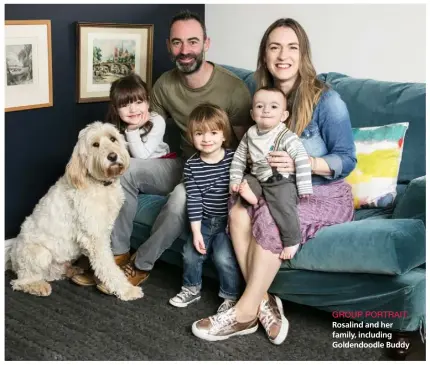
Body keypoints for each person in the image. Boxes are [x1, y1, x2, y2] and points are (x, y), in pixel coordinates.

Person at [191, 18, 356, 345]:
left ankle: (244, 312)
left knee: (267, 218)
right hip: (272, 189)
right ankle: (264, 299)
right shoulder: (259, 95)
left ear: (303, 54)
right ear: (265, 55)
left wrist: (305, 163)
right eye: (275, 47)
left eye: (292, 47)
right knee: (237, 209)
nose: (283, 55)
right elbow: (247, 149)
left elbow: (347, 159)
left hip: (321, 192)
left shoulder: (327, 100)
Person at [72, 10, 252, 293]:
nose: (185, 50)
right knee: (126, 171)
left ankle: (140, 265)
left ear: (206, 43)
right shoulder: (165, 85)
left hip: (219, 171)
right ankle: (116, 256)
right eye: (177, 43)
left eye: (192, 42)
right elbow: (144, 127)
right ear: (169, 46)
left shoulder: (233, 88)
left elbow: (245, 149)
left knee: (181, 198)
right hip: (183, 163)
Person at [169, 103, 242, 312]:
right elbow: (194, 199)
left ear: (223, 135)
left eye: (213, 132)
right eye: (199, 133)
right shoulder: (192, 165)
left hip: (229, 224)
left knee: (223, 257)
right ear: (192, 137)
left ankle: (230, 296)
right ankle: (191, 288)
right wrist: (196, 232)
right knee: (190, 253)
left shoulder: (234, 158)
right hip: (205, 221)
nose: (206, 139)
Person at [230, 86, 312, 260]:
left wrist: (304, 187)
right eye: (260, 106)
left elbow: (301, 159)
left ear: (283, 115)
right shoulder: (250, 134)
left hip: (280, 179)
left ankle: (292, 239)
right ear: (252, 114)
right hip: (257, 176)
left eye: (274, 107)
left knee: (282, 204)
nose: (266, 110)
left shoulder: (285, 136)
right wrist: (235, 179)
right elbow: (239, 158)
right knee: (245, 182)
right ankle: (251, 196)